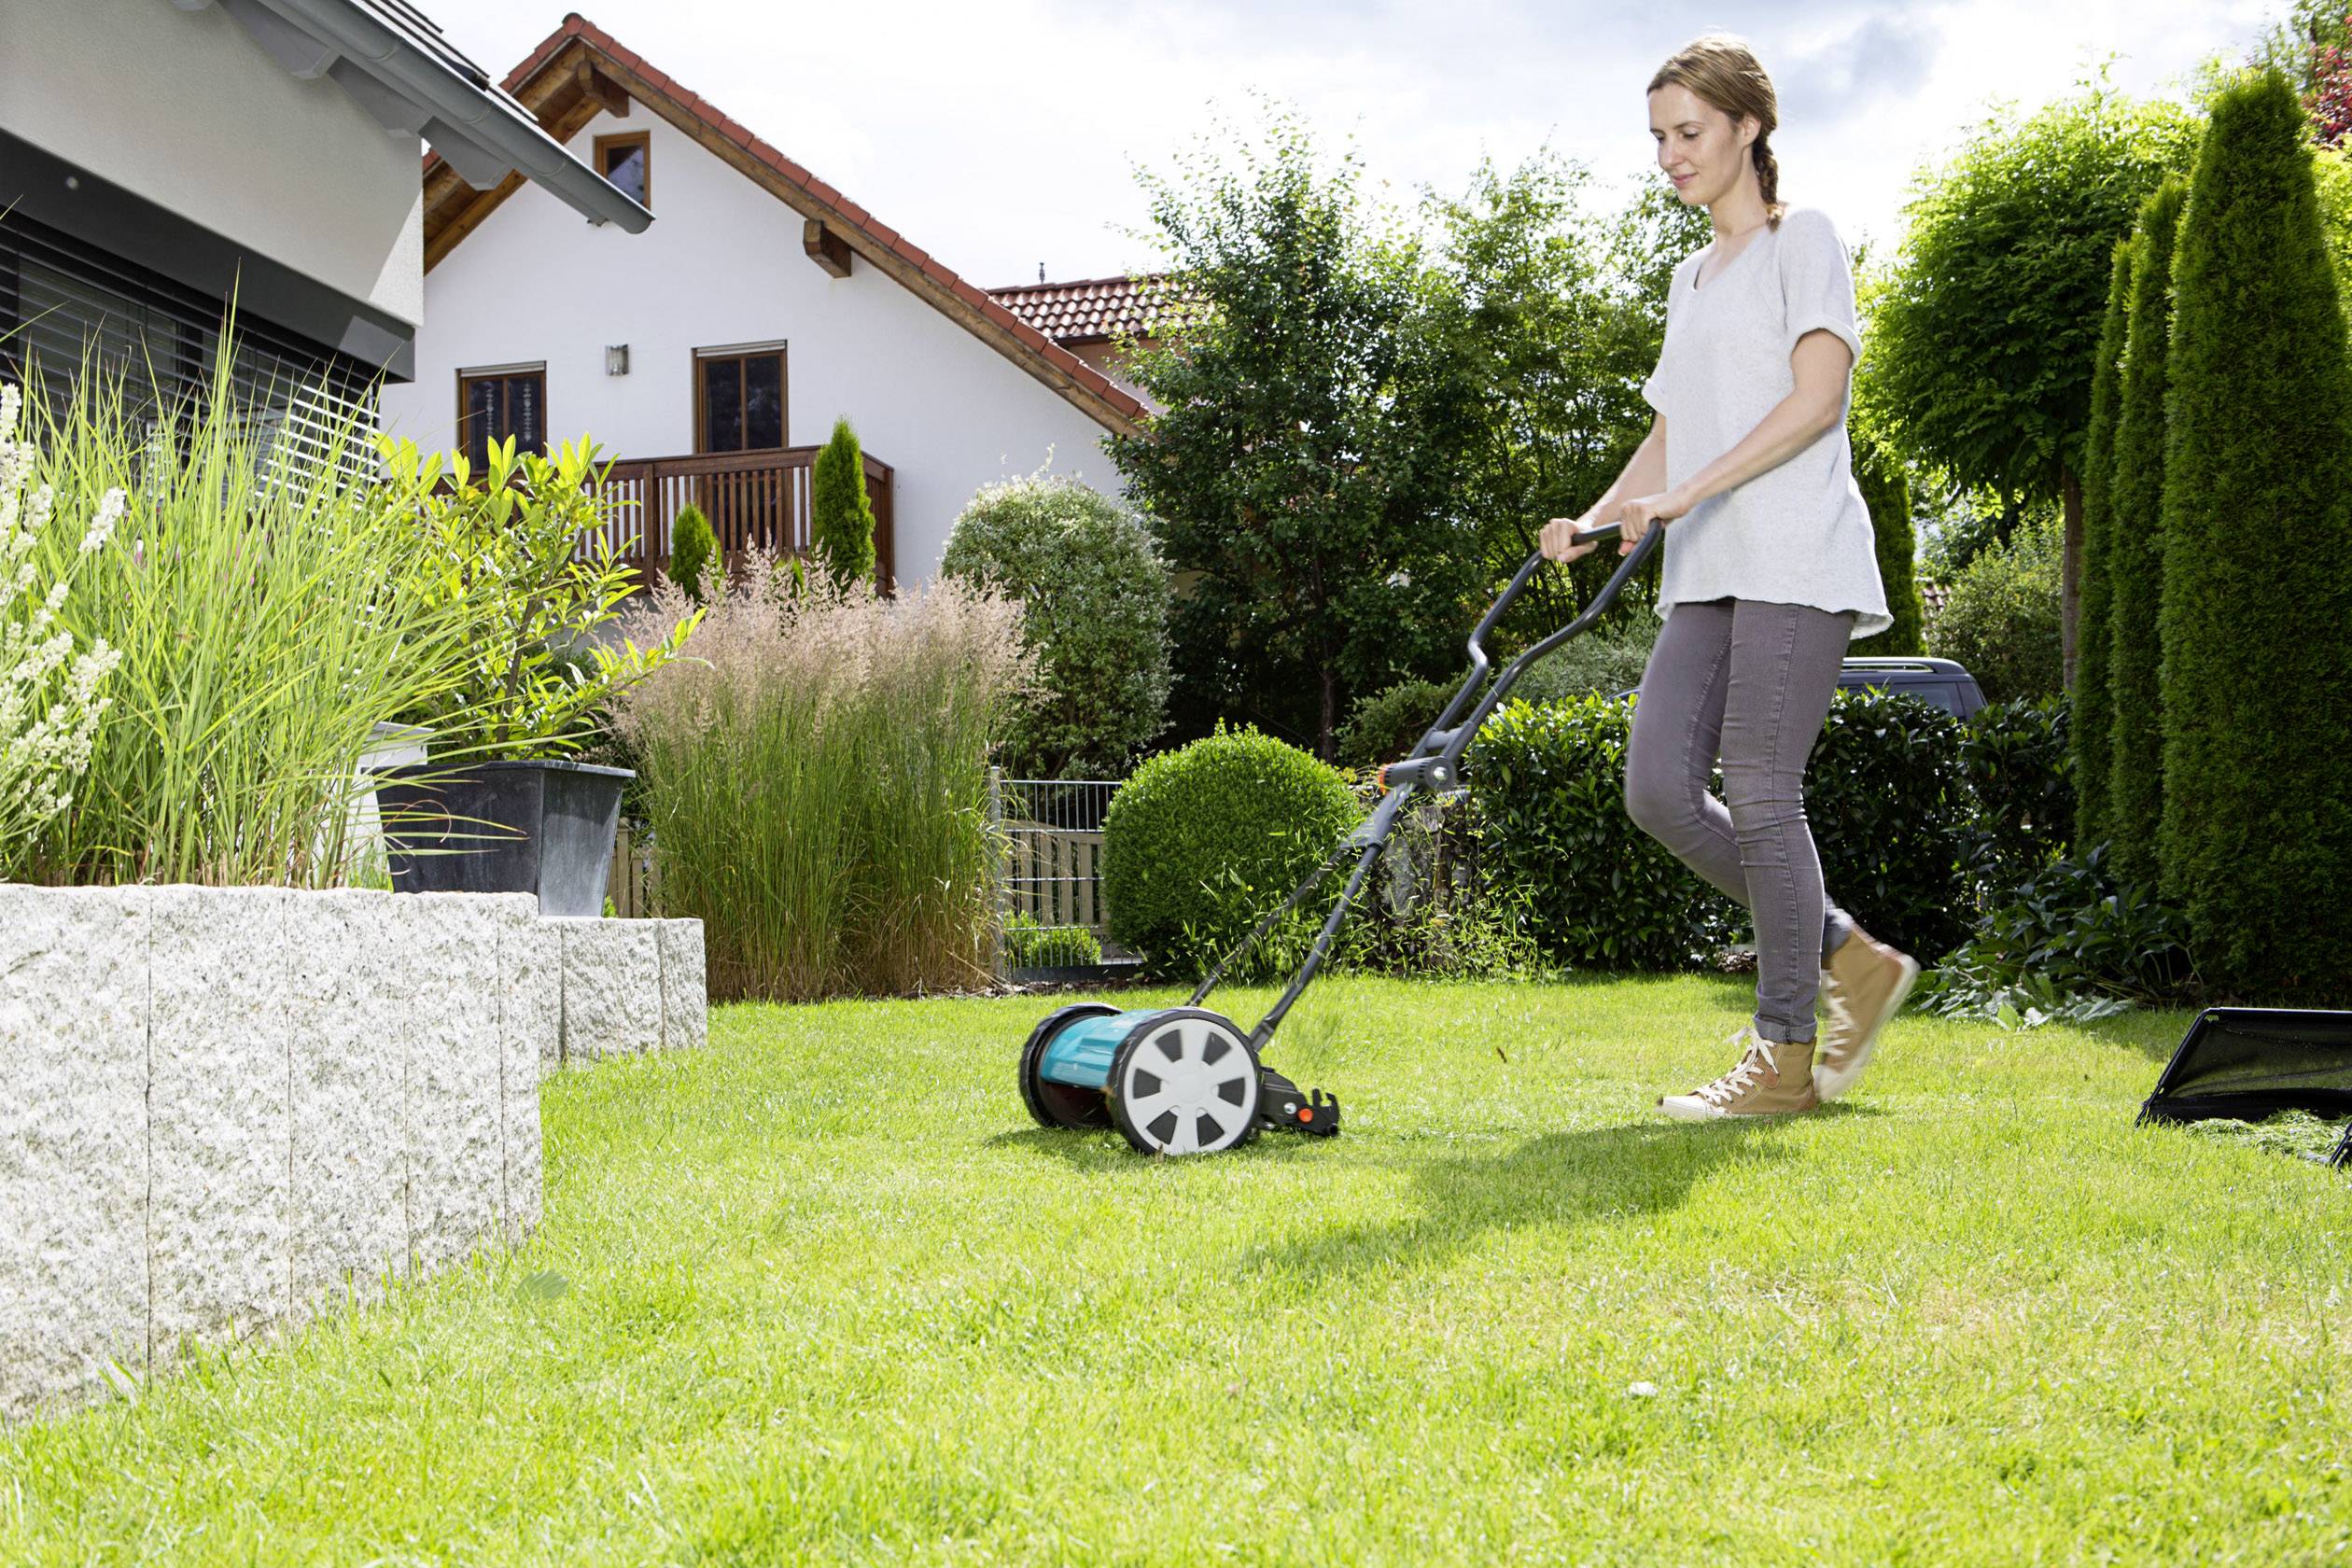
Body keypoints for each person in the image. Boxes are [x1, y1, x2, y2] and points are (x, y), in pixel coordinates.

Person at [1541, 33, 1918, 1121]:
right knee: (1659, 788)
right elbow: (1669, 433)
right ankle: (1851, 955)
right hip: (1707, 569)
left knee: (1759, 790)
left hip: (1795, 554)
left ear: (1749, 127)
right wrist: (1602, 515)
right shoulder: (1688, 275)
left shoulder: (1806, 239)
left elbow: (1817, 402)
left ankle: (1785, 1057)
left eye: (1689, 132)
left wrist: (1689, 491)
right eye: (1658, 136)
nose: (1670, 154)